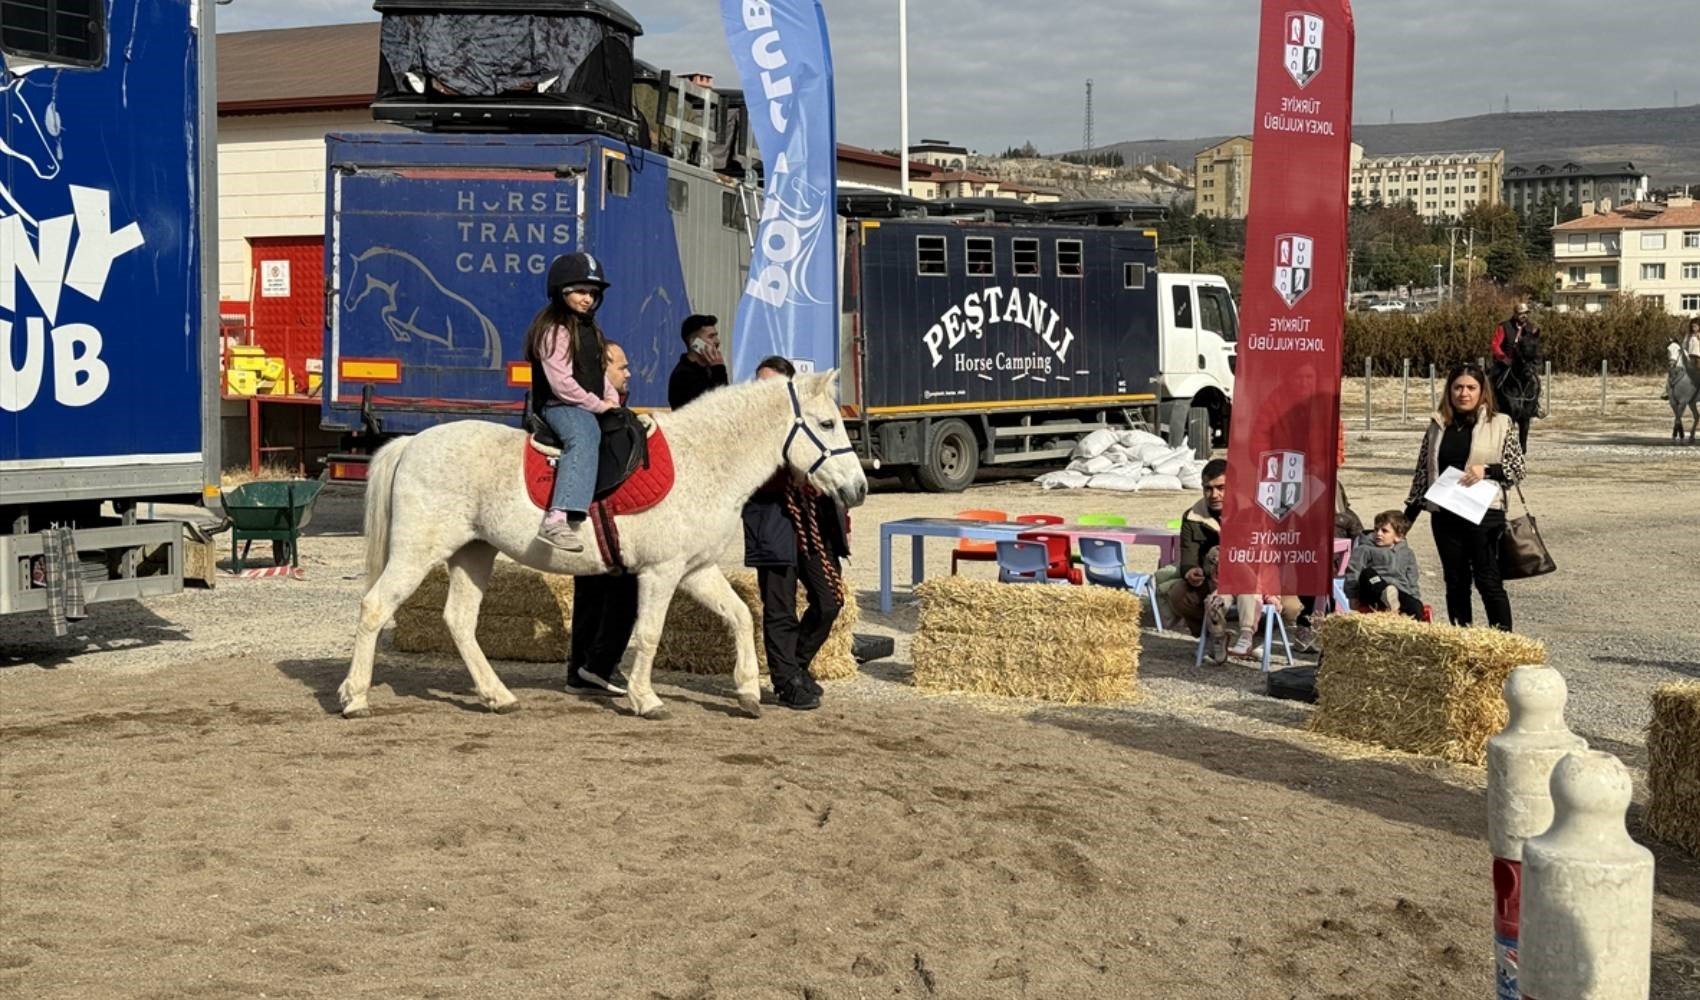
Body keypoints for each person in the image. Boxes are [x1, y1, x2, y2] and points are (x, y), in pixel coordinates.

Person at [742, 355, 849, 710]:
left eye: (770, 383)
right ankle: (786, 680)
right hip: (771, 516)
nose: (762, 390)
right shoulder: (751, 427)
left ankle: (797, 665)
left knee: (830, 600)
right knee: (779, 607)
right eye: (759, 383)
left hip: (812, 515)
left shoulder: (806, 422)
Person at [1404, 363, 1525, 631]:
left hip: (1484, 512)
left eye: (1471, 388)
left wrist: (1488, 470)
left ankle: (1502, 640)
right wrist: (1406, 520)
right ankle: (1462, 636)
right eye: (1458, 387)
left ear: (1482, 392)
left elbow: (1517, 470)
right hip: (1445, 514)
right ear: (1449, 391)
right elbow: (1422, 474)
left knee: (1487, 579)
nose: (1464, 393)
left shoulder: (1502, 423)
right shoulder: (1437, 425)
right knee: (1455, 580)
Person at [1163, 458, 1302, 662]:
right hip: (1215, 580)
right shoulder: (1193, 516)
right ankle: (1214, 637)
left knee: (1291, 605)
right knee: (1179, 594)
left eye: (1221, 488)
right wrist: (1191, 571)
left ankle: (1257, 638)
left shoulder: (1258, 511)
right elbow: (1188, 555)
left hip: (1259, 579)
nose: (1214, 495)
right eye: (1208, 489)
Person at [526, 253, 620, 552]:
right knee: (585, 434)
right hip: (559, 406)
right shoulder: (554, 330)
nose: (587, 299)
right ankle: (556, 518)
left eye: (593, 293)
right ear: (561, 292)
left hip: (587, 402)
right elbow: (562, 384)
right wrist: (597, 405)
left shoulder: (590, 329)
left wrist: (611, 400)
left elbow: (599, 371)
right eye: (580, 292)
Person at [565, 342, 636, 695]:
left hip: (594, 519)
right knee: (624, 590)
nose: (629, 373)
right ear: (603, 369)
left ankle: (581, 669)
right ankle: (599, 664)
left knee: (591, 594)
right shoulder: (601, 414)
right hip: (603, 519)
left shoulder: (609, 408)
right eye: (622, 367)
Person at [1342, 510, 1424, 619]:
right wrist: (1352, 597)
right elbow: (1353, 572)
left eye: (1384, 531)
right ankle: (1385, 593)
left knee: (1417, 607)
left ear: (1398, 536)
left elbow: (1412, 579)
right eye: (1376, 530)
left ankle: (1402, 617)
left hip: (1398, 593)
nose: (1378, 533)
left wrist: (1414, 598)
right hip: (1373, 592)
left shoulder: (1407, 553)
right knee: (1367, 573)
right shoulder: (1365, 549)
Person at [667, 314, 727, 409]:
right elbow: (714, 406)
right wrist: (718, 370)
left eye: (716, 336)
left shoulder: (709, 370)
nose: (717, 341)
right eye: (711, 337)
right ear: (694, 343)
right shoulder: (683, 375)